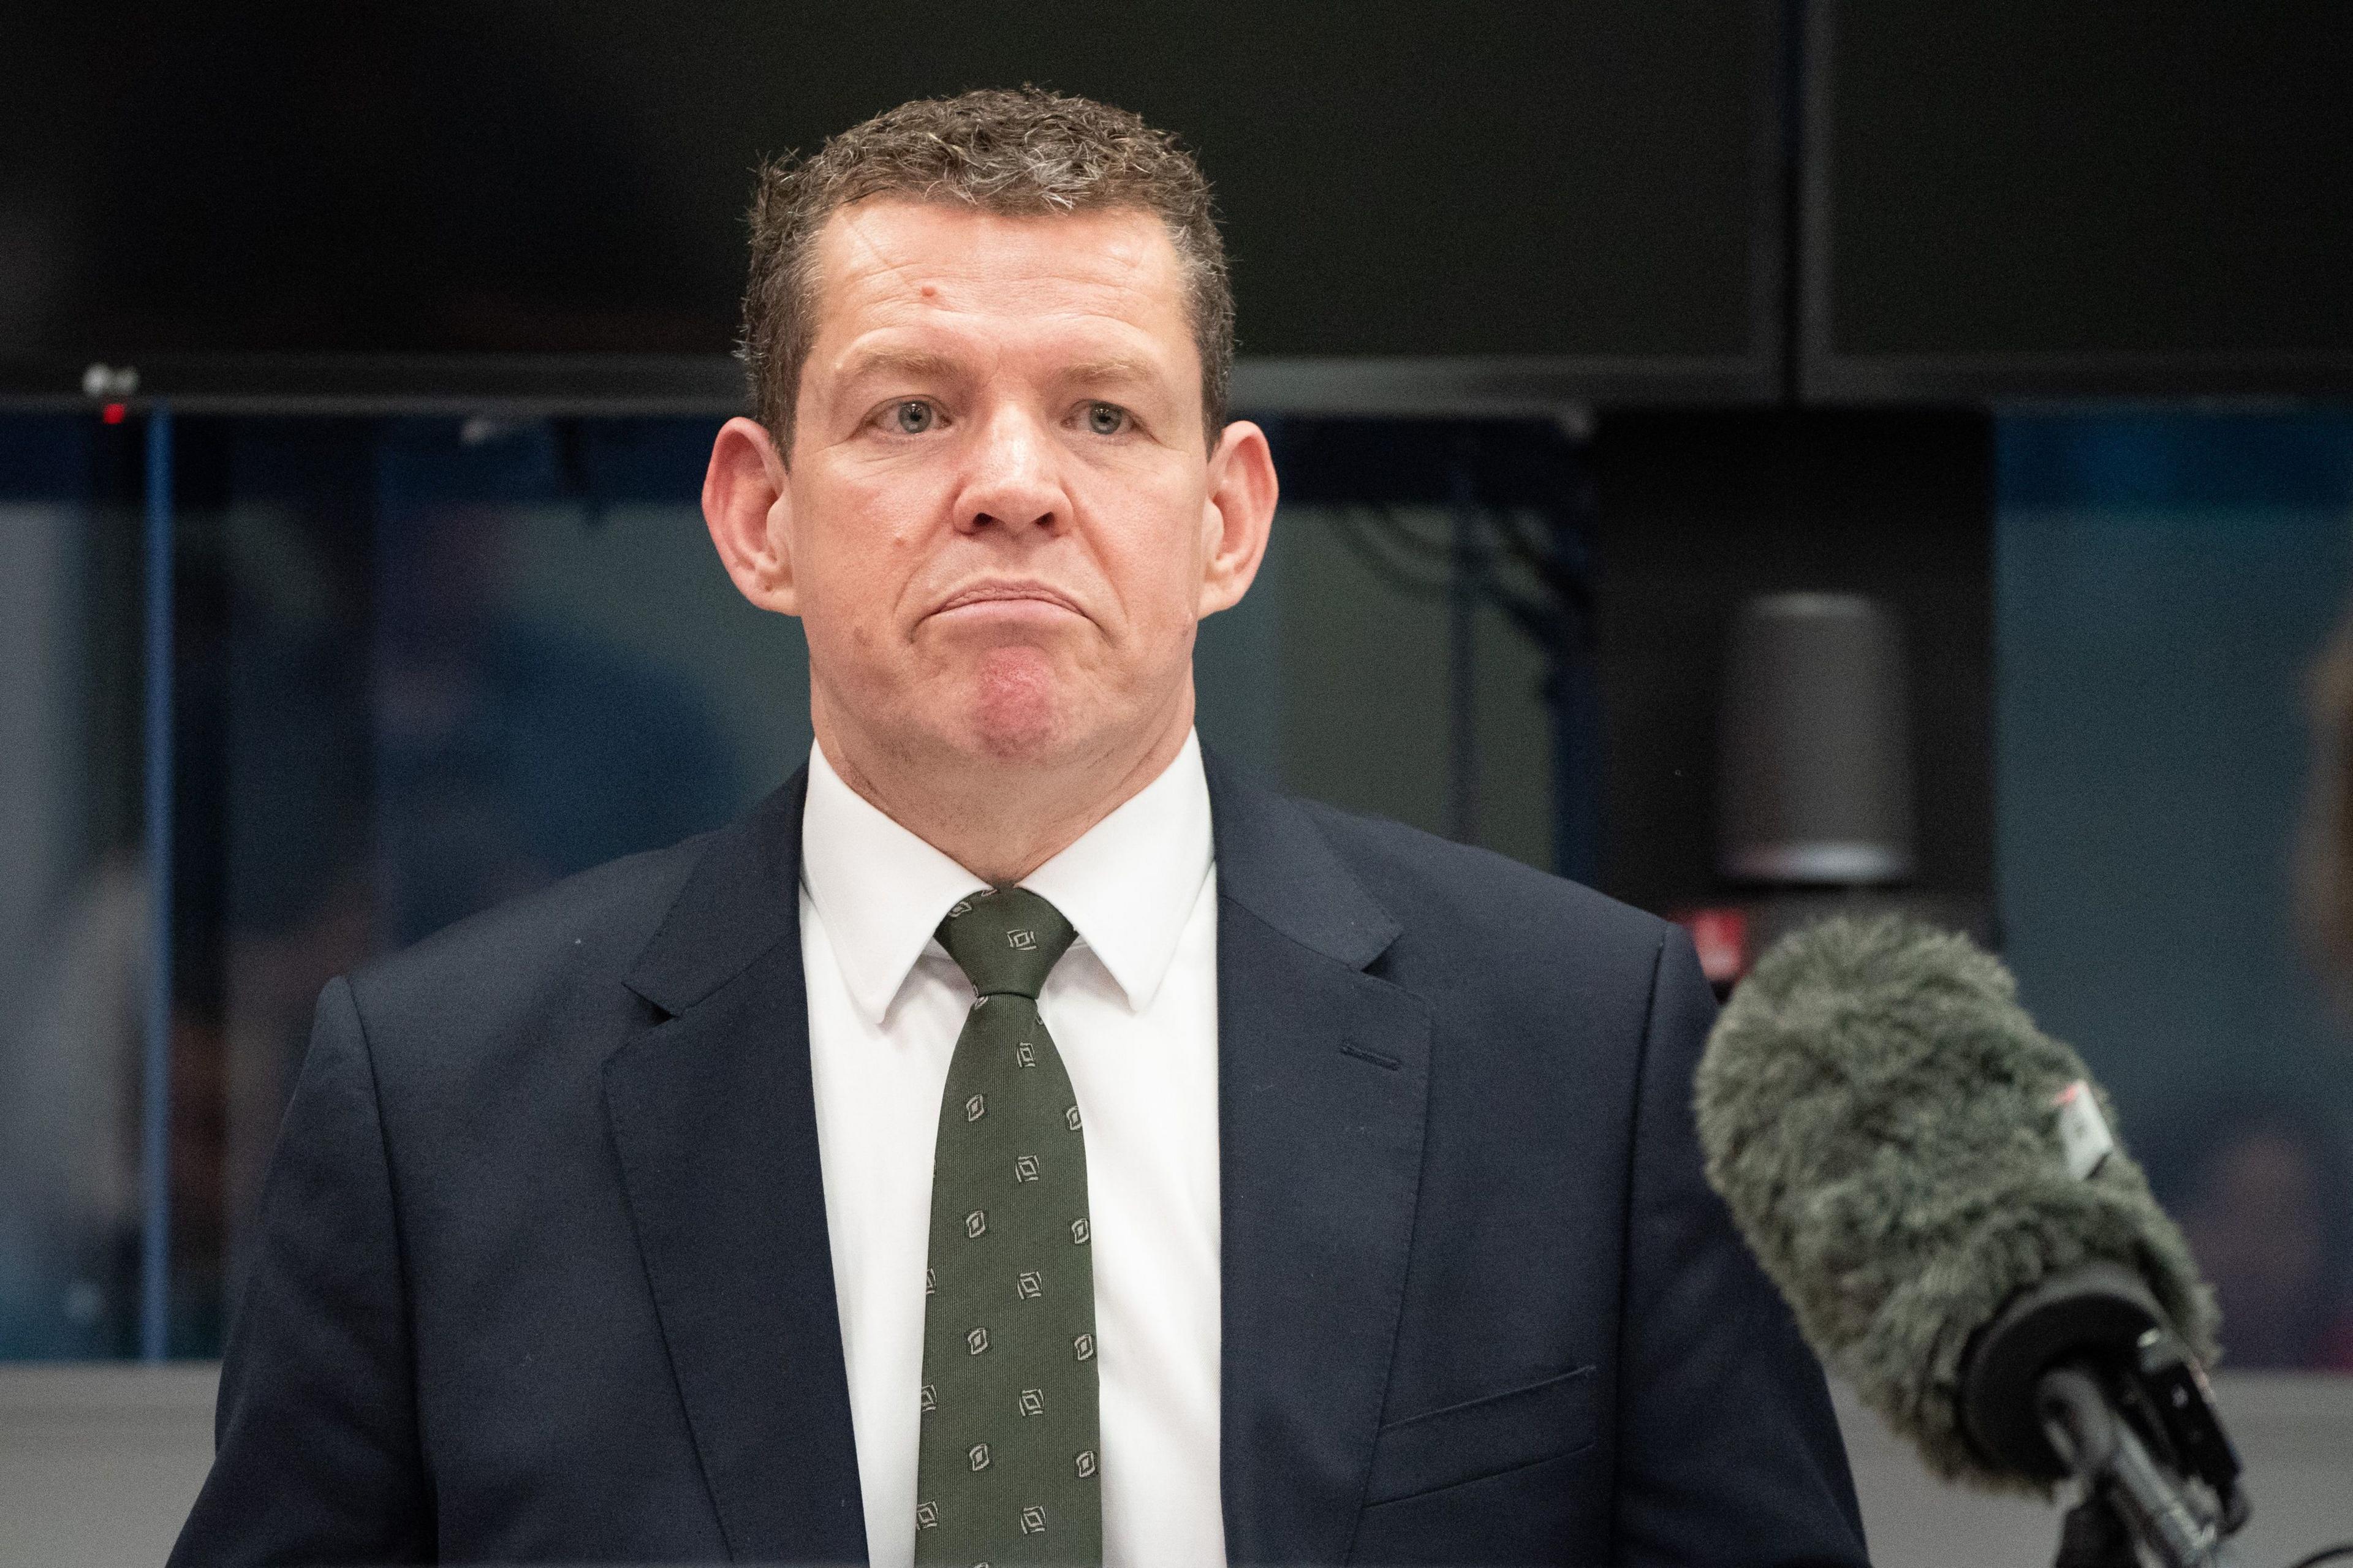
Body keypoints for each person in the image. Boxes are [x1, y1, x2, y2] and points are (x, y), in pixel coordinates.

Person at [170, 88, 1865, 1566]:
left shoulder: (1585, 1050)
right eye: (912, 410)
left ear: (1229, 519)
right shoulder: (437, 1102)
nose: (1013, 483)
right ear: (759, 518)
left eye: (1104, 415)